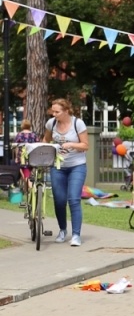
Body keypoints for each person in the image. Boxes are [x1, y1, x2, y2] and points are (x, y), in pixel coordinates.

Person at [44, 98, 89, 247]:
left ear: (66, 111)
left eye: (57, 111)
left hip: (77, 166)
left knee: (74, 199)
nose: (54, 114)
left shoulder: (78, 123)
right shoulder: (51, 123)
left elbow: (85, 145)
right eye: (53, 111)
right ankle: (62, 230)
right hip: (58, 166)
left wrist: (71, 144)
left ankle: (76, 235)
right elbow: (46, 139)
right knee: (59, 200)